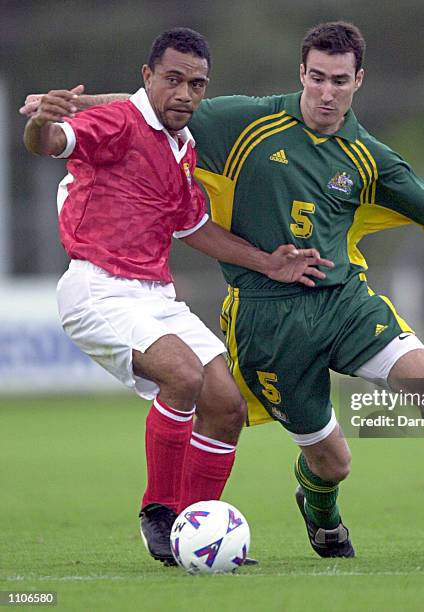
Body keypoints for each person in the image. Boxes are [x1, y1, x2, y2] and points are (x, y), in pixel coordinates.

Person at [21, 22, 424, 561]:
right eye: (317, 77)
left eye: (339, 80)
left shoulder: (369, 157)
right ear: (301, 73)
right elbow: (153, 106)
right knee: (331, 462)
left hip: (344, 303)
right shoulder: (246, 121)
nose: (326, 91)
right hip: (269, 324)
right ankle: (319, 514)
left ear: (358, 81)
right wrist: (69, 106)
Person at [21, 27, 332, 567]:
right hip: (98, 286)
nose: (185, 94)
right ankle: (159, 514)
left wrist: (267, 262)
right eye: (173, 80)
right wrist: (42, 120)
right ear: (147, 78)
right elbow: (49, 143)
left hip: (154, 294)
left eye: (197, 84)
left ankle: (196, 533)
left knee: (226, 404)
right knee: (183, 376)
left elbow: (195, 228)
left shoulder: (183, 147)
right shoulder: (120, 121)